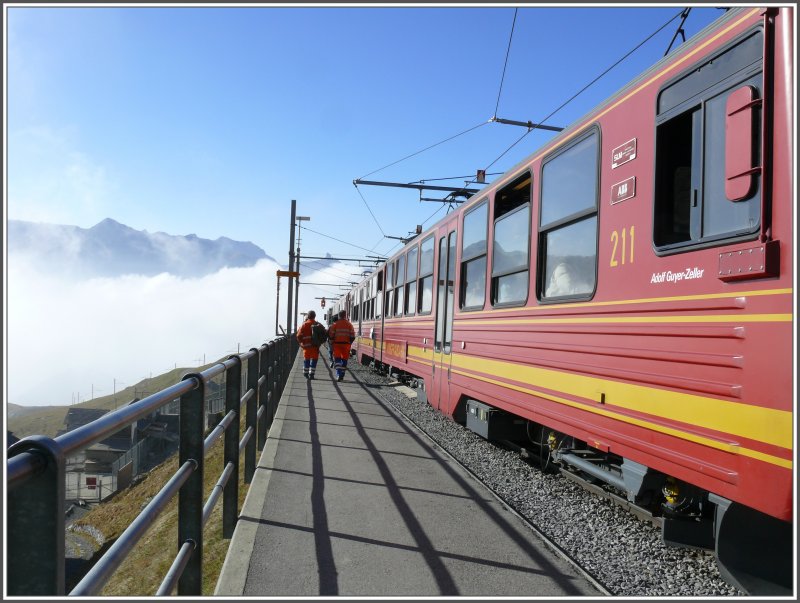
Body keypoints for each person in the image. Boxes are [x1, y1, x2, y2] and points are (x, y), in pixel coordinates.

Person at [327, 310, 355, 382]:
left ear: (339, 316)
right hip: (346, 345)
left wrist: (331, 342)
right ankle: (342, 374)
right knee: (344, 360)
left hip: (337, 345)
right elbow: (352, 336)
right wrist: (349, 343)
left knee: (337, 360)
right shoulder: (349, 324)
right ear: (345, 315)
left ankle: (338, 374)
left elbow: (331, 335)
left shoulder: (335, 324)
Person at [296, 310, 323, 379]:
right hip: (315, 346)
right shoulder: (318, 324)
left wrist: (301, 343)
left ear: (308, 316)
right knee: (314, 360)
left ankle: (306, 373)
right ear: (315, 316)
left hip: (306, 346)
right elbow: (324, 334)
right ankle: (312, 374)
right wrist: (320, 342)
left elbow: (298, 335)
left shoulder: (304, 324)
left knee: (306, 359)